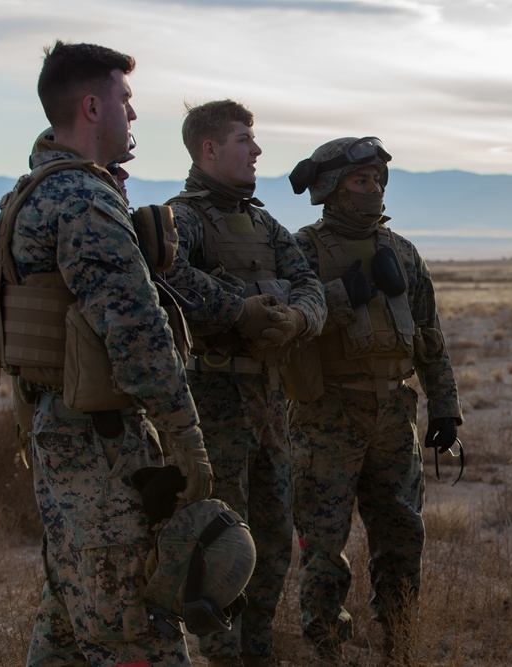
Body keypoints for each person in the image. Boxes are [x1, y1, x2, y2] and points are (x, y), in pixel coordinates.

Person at [16, 41, 212, 665]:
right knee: (137, 633)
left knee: (72, 620)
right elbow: (136, 333)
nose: (134, 114)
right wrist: (187, 439)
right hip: (99, 448)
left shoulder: (35, 191)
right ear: (94, 107)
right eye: (126, 100)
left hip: (63, 439)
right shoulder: (84, 200)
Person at [286, 137, 462, 665]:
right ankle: (325, 647)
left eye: (378, 180)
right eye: (361, 181)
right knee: (322, 544)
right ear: (332, 189)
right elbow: (288, 327)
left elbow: (430, 335)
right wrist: (349, 291)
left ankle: (400, 640)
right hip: (326, 418)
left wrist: (445, 406)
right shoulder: (301, 250)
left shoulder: (402, 252)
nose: (374, 189)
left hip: (393, 416)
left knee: (403, 533)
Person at [163, 99, 326, 667]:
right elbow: (169, 275)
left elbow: (310, 286)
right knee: (223, 548)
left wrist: (297, 319)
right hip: (216, 409)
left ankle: (256, 654)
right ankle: (223, 658)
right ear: (209, 149)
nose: (257, 150)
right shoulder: (179, 220)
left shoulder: (264, 223)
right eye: (243, 140)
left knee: (275, 543)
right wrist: (239, 312)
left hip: (270, 407)